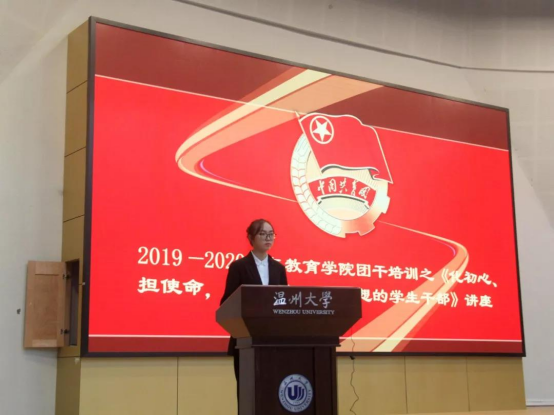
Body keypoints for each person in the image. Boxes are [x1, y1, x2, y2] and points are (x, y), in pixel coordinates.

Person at [220, 219, 288, 405]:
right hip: (245, 340)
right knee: (248, 393)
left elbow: (284, 303)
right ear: (251, 237)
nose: (268, 238)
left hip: (273, 341)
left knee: (272, 393)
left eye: (271, 234)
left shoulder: (279, 269)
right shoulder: (239, 267)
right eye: (262, 234)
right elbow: (226, 303)